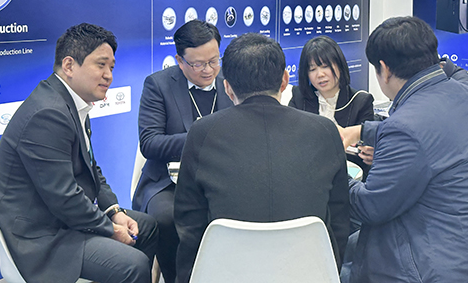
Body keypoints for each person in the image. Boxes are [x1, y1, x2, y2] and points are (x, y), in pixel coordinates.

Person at [341, 16, 468, 283]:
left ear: (384, 69)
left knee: (342, 256)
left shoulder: (406, 126)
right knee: (352, 246)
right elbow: (434, 132)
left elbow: (371, 208)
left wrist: (335, 172)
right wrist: (362, 131)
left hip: (448, 266)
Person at [174, 33, 350, 283]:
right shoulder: (324, 131)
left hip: (224, 274)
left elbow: (190, 226)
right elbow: (339, 221)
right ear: (285, 80)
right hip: (310, 273)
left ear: (227, 87)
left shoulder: (203, 133)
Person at [0, 23, 158, 283]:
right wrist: (109, 228)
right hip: (44, 236)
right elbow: (63, 197)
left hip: (65, 219)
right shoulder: (48, 114)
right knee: (133, 265)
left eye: (111, 67)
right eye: (101, 65)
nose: (109, 76)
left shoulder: (74, 103)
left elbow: (92, 170)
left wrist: (114, 211)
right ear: (69, 66)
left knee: (148, 227)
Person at [132, 20, 233, 283]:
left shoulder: (230, 80)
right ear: (179, 60)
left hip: (223, 177)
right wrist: (199, 138)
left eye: (214, 60)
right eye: (198, 64)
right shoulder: (158, 85)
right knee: (167, 219)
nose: (208, 70)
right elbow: (150, 142)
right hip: (168, 182)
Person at [288, 35, 375, 174]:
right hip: (306, 174)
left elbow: (365, 151)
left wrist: (370, 152)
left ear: (339, 65)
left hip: (347, 177)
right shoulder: (299, 98)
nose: (320, 74)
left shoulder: (361, 101)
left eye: (325, 66)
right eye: (312, 69)